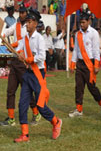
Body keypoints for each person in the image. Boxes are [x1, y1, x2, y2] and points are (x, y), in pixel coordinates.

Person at [13, 10, 63, 143]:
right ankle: (25, 134)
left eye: (29, 22)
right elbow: (20, 47)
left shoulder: (39, 39)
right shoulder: (25, 37)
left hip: (38, 74)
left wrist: (28, 59)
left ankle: (56, 122)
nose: (27, 24)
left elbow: (42, 56)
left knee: (40, 106)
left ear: (35, 23)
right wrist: (14, 49)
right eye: (27, 22)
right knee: (22, 104)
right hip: (28, 74)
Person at [0, 3, 38, 126]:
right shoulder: (15, 26)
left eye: (23, 13)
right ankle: (11, 118)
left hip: (24, 62)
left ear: (26, 14)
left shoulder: (27, 28)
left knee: (26, 90)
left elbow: (21, 42)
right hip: (15, 61)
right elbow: (6, 31)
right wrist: (2, 36)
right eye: (20, 13)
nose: (21, 15)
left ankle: (36, 113)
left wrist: (13, 46)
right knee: (10, 90)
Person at [67, 11, 101, 119]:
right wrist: (72, 64)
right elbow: (75, 50)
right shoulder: (77, 34)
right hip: (80, 63)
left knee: (91, 87)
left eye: (84, 22)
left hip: (90, 63)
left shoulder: (94, 33)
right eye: (81, 22)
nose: (82, 24)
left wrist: (96, 65)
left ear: (89, 21)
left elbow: (95, 50)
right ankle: (79, 109)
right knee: (79, 87)